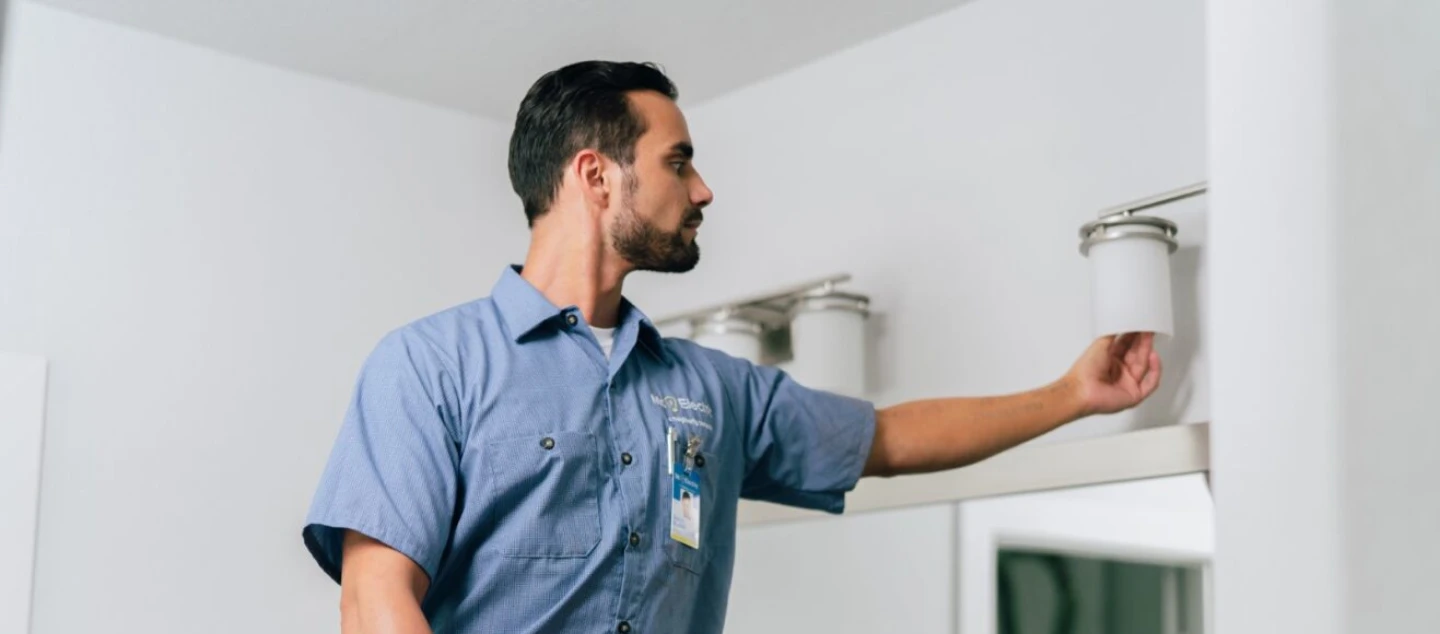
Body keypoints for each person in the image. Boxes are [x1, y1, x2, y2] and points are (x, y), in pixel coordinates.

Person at [301, 60, 1162, 634]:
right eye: (680, 162)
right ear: (596, 175)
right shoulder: (430, 366)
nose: (704, 189)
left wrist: (1071, 394)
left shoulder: (713, 391)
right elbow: (376, 595)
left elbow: (889, 439)